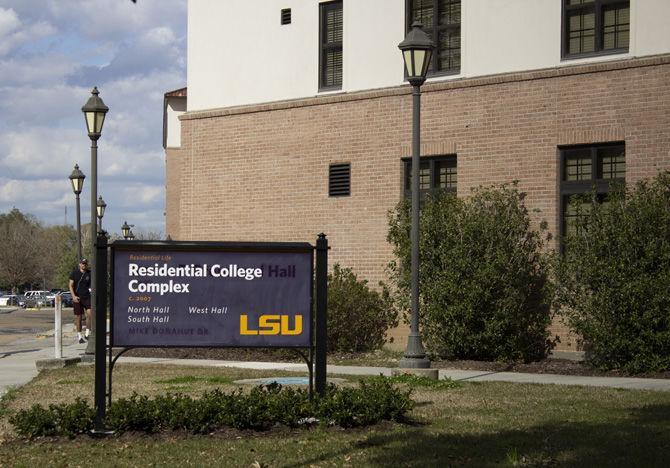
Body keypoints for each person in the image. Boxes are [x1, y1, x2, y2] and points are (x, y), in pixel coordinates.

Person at [69, 258, 92, 344]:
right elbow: (70, 285)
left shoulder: (89, 273)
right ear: (79, 264)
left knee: (90, 314)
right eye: (82, 263)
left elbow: (92, 285)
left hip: (87, 297)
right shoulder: (74, 273)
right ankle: (79, 336)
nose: (84, 265)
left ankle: (87, 334)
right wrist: (73, 296)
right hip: (77, 298)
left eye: (85, 264)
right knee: (78, 317)